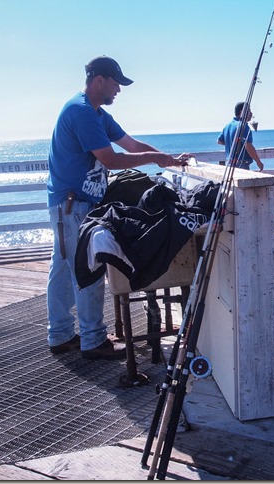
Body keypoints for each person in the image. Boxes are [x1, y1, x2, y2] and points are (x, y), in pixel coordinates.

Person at [46, 56, 190, 360]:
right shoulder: (82, 112)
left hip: (69, 204)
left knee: (62, 270)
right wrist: (156, 161)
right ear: (100, 80)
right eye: (116, 84)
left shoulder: (97, 113)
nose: (119, 91)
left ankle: (60, 336)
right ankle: (93, 340)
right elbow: (112, 160)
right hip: (73, 205)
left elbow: (132, 145)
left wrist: (166, 157)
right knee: (88, 269)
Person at [217, 102, 264, 171]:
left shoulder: (228, 125)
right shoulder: (243, 126)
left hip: (229, 163)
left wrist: (233, 143)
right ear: (241, 111)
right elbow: (248, 146)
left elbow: (219, 141)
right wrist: (258, 162)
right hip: (241, 164)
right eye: (248, 111)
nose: (251, 113)